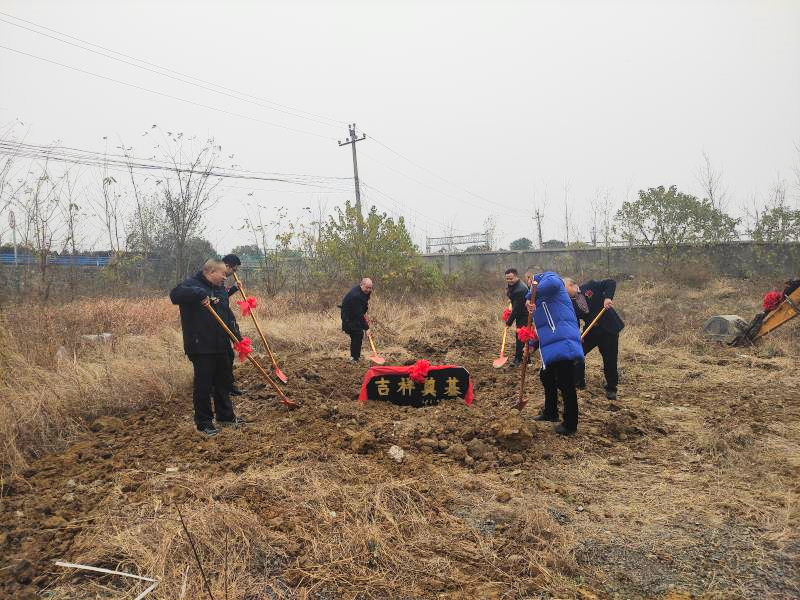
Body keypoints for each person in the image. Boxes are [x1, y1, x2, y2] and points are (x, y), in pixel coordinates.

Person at [170, 259, 244, 436]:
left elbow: (227, 316)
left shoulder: (219, 289)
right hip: (201, 346)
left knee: (223, 383)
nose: (225, 277)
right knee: (203, 386)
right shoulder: (191, 284)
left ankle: (226, 416)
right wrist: (199, 294)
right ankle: (204, 423)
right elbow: (174, 295)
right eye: (222, 274)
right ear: (211, 272)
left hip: (221, 344)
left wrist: (237, 339)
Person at [525, 272, 584, 435]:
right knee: (546, 376)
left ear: (534, 278)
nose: (529, 284)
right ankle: (550, 412)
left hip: (563, 340)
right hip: (552, 343)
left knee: (566, 382)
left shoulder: (551, 279)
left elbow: (550, 284)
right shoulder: (539, 298)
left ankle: (570, 424)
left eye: (530, 280)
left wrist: (529, 296)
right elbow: (542, 326)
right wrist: (532, 344)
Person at [564, 277, 624, 400]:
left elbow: (610, 282)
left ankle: (611, 388)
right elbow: (574, 321)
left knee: (610, 359)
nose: (564, 293)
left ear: (571, 285)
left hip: (608, 329)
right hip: (591, 331)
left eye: (564, 290)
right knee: (577, 353)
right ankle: (579, 383)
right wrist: (576, 335)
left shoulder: (590, 286)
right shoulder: (569, 303)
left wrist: (607, 298)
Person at [221, 254, 244, 396]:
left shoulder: (222, 280)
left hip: (225, 319)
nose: (234, 273)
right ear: (227, 266)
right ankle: (218, 388)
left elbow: (223, 296)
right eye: (234, 270)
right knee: (223, 357)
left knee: (229, 355)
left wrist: (234, 288)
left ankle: (228, 386)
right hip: (216, 325)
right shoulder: (215, 278)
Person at [341, 278, 373, 362]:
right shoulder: (355, 296)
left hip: (355, 314)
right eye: (367, 287)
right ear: (361, 285)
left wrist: (364, 313)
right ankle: (354, 358)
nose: (368, 290)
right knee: (357, 334)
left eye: (370, 288)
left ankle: (356, 357)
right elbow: (358, 314)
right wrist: (367, 328)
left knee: (358, 334)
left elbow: (363, 305)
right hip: (348, 317)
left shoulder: (365, 292)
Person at [504, 268, 530, 367]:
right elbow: (513, 297)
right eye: (507, 279)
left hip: (524, 315)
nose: (509, 281)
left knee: (521, 337)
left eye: (511, 278)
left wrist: (508, 322)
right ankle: (527, 359)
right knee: (522, 337)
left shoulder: (520, 289)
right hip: (520, 313)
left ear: (516, 276)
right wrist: (511, 301)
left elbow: (516, 310)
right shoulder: (513, 285)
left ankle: (518, 360)